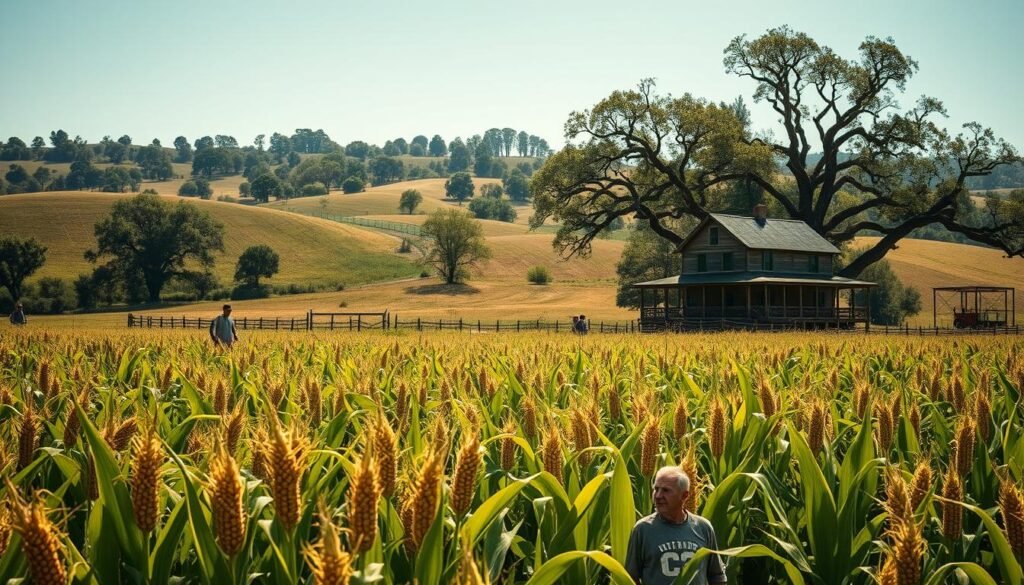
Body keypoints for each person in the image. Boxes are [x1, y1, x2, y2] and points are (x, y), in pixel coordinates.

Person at [625, 466, 727, 585]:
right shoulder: (643, 529)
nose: (658, 496)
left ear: (684, 496)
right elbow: (630, 578)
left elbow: (717, 576)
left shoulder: (703, 528)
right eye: (656, 489)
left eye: (666, 490)